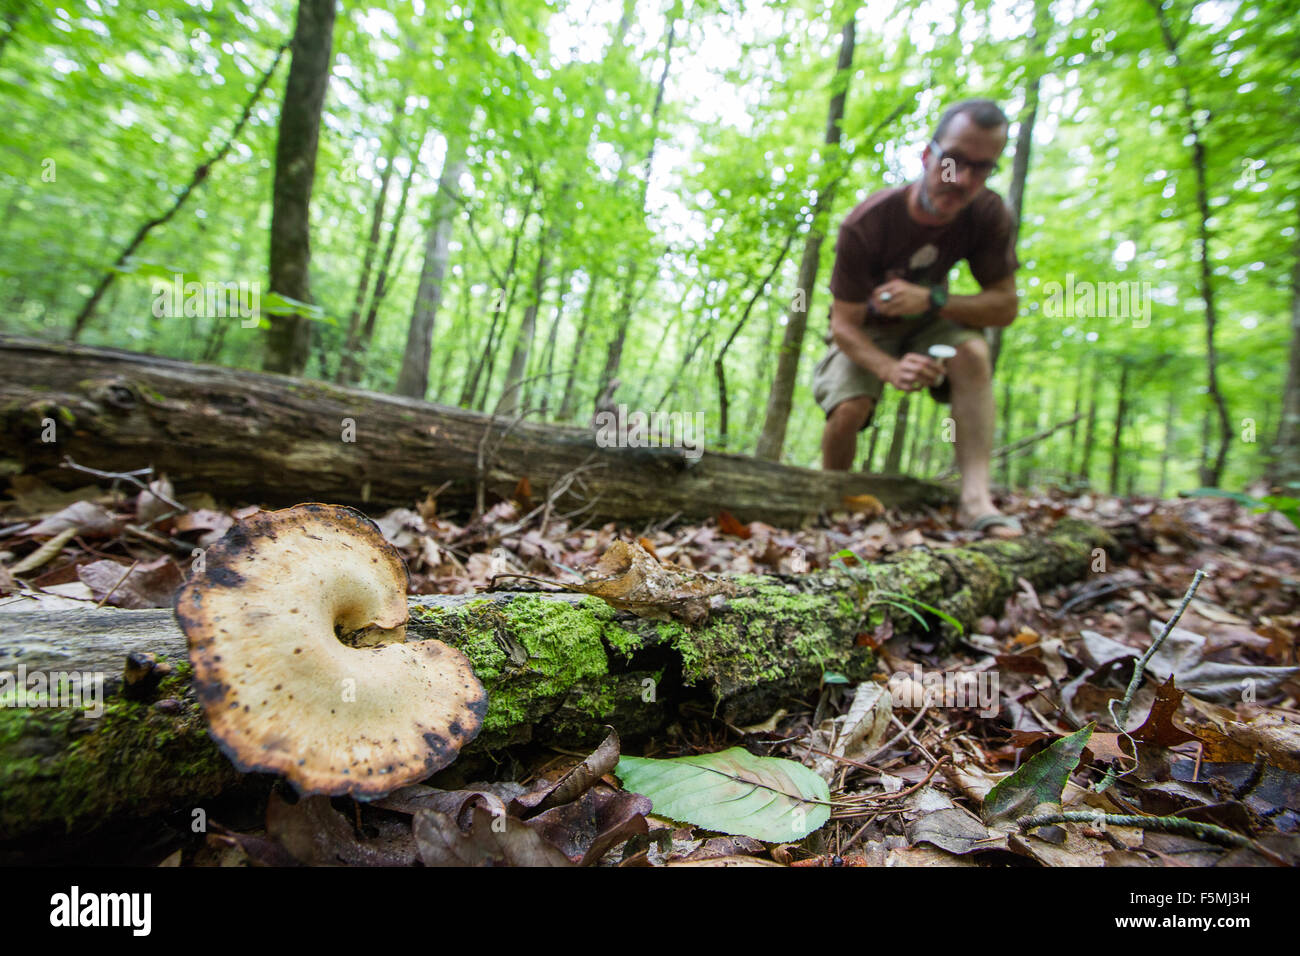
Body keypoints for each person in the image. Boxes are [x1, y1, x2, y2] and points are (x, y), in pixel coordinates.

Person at [812, 98, 1022, 537]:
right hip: (868, 330)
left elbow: (1004, 306)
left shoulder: (988, 214)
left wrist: (931, 298)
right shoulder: (865, 224)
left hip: (929, 320)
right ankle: (830, 505)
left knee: (973, 353)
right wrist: (889, 368)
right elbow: (843, 326)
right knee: (850, 406)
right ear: (928, 156)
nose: (963, 180)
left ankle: (975, 502)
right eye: (954, 161)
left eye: (981, 169)